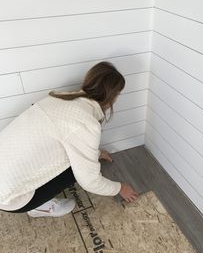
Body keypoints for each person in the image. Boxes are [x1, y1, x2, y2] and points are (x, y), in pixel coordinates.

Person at [0, 61, 138, 217]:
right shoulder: (86, 123)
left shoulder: (59, 98)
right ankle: (37, 207)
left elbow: (66, 137)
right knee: (75, 170)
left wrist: (96, 153)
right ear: (113, 97)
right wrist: (120, 188)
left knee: (76, 160)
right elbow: (90, 181)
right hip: (10, 199)